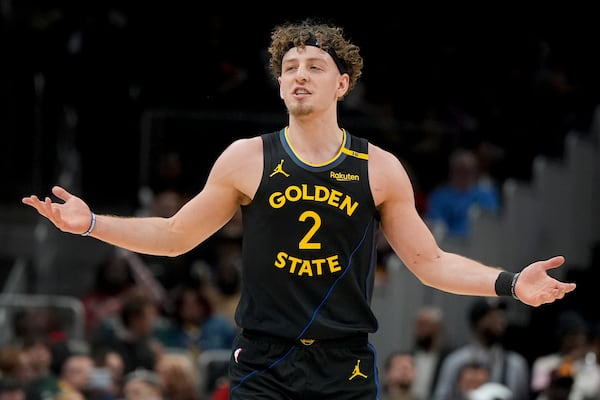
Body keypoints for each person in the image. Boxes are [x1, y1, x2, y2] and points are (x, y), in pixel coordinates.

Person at [21, 18, 576, 399]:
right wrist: (91, 224)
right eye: (289, 67)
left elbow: (429, 263)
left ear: (343, 82)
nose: (299, 74)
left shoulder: (378, 167)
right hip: (264, 360)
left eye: (313, 65)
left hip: (345, 361)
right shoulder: (246, 157)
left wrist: (509, 284)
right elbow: (174, 235)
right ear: (279, 83)